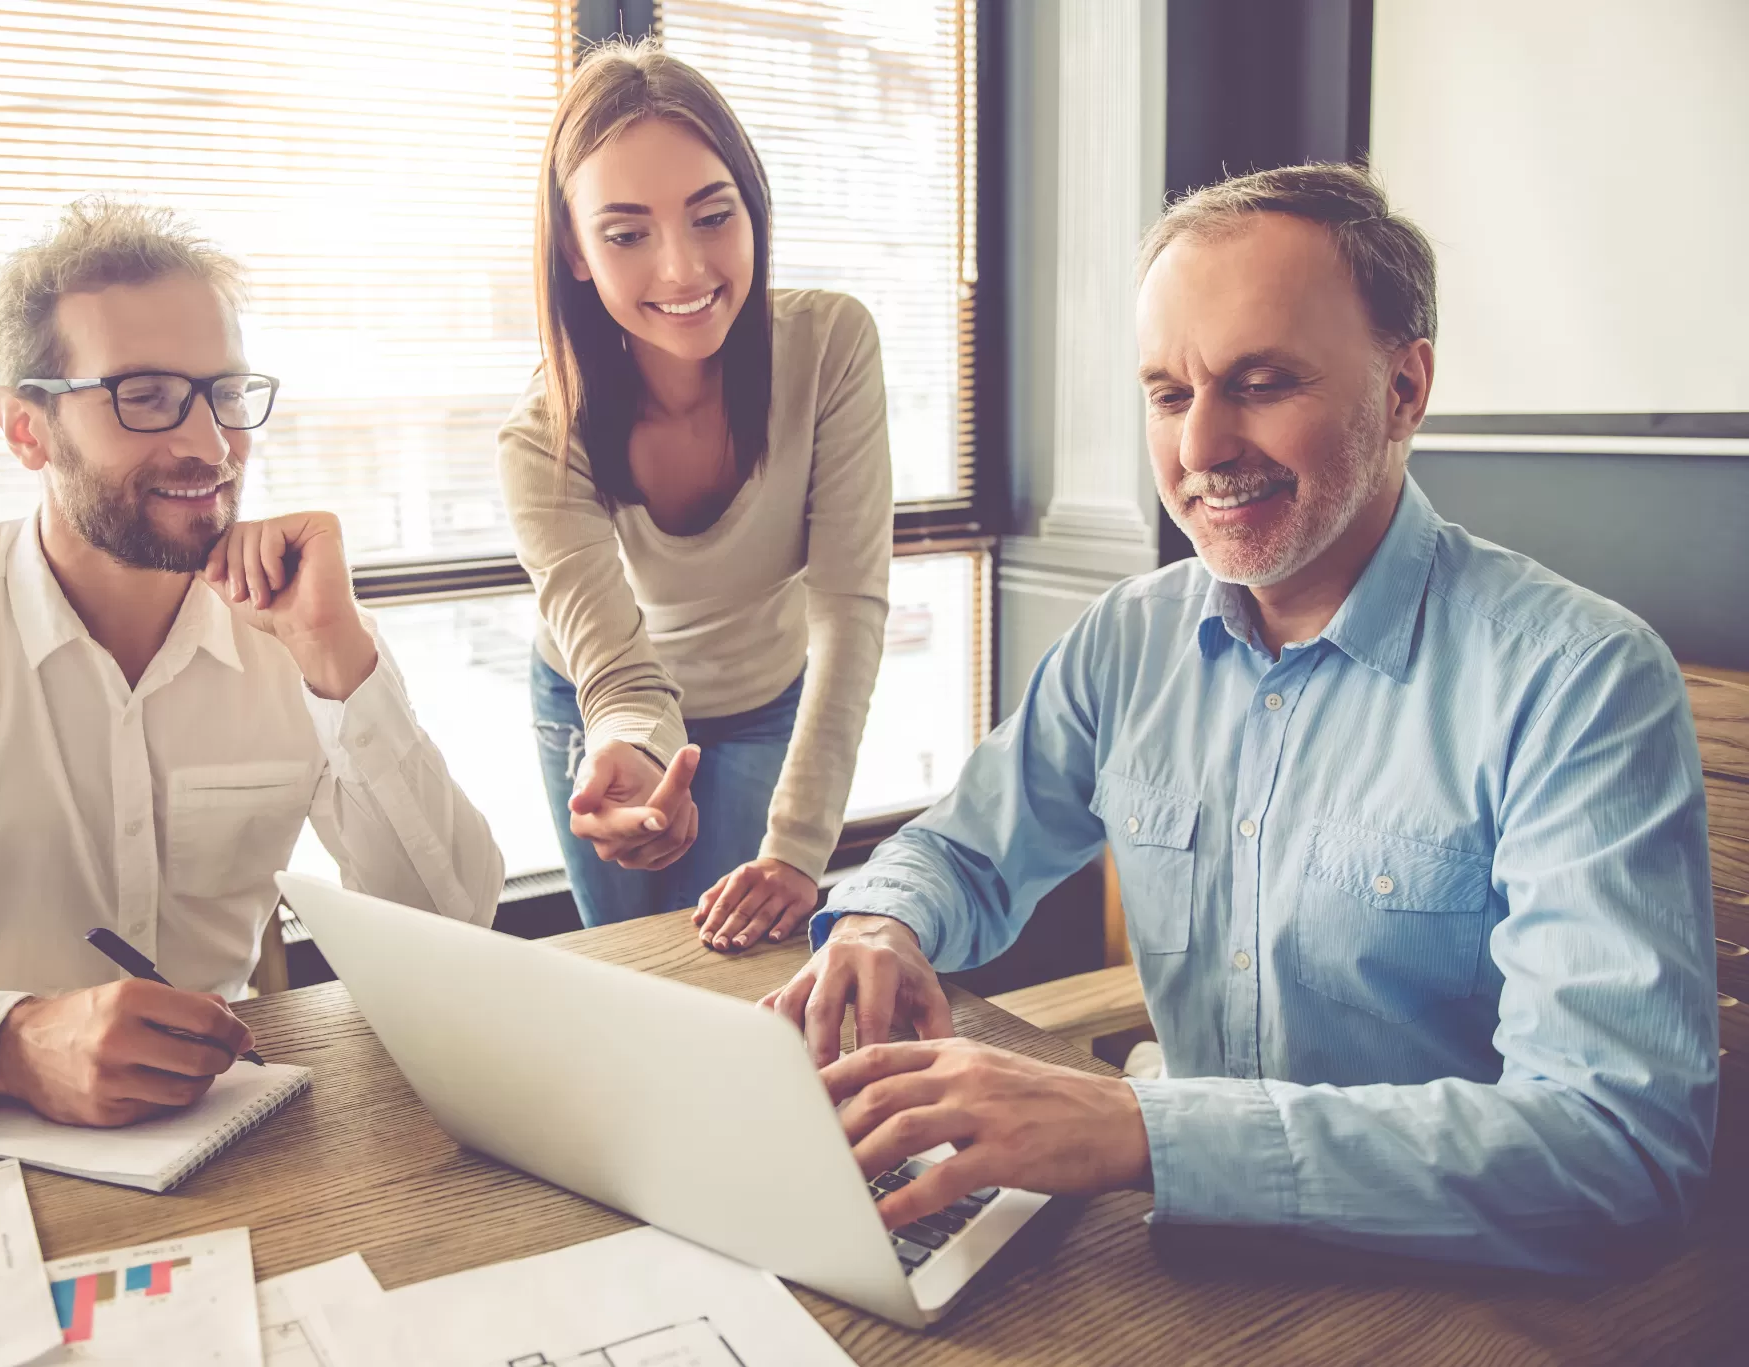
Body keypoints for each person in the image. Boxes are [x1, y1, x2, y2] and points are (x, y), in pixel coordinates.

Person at [764, 163, 1716, 1272]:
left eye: (1259, 382)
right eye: (1167, 394)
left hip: (1447, 1290)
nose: (1200, 447)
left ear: (1403, 389)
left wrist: (1139, 1129)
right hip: (1181, 1245)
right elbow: (960, 850)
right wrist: (884, 922)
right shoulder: (1128, 639)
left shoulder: (1579, 682)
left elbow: (1616, 1150)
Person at [0, 198, 502, 1125]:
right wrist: (9, 1044)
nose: (208, 446)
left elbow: (457, 927)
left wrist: (340, 664)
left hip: (228, 1137)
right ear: (26, 430)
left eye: (224, 395)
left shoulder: (294, 629)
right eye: (145, 396)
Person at [499, 39, 892, 941]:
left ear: (753, 210)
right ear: (574, 248)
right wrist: (627, 755)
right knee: (631, 965)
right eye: (628, 233)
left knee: (735, 969)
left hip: (764, 698)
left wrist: (798, 846)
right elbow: (619, 673)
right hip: (598, 702)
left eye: (713, 217)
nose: (682, 270)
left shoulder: (831, 346)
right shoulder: (540, 439)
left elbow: (849, 603)